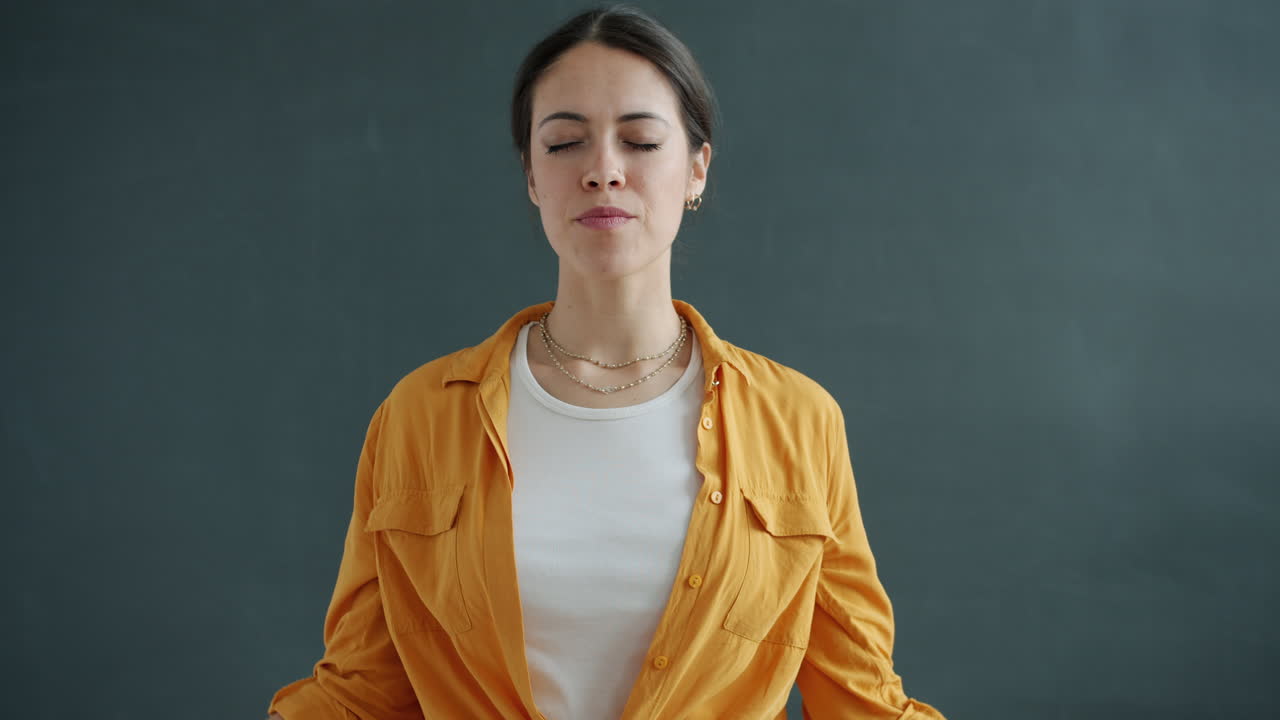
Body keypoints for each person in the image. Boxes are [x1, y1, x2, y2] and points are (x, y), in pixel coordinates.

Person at [267, 4, 946, 719]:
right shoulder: (421, 415)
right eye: (564, 144)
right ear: (531, 176)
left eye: (641, 141)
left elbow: (862, 699)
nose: (603, 171)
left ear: (697, 169)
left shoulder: (799, 421)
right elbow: (361, 694)